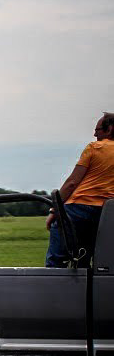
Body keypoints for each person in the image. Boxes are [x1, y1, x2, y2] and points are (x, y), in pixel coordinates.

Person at [46, 111, 114, 267]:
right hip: (106, 214)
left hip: (78, 208)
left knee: (57, 257)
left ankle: (52, 285)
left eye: (97, 130)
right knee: (85, 258)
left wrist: (55, 210)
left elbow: (72, 182)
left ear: (109, 129)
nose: (94, 134)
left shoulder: (94, 148)